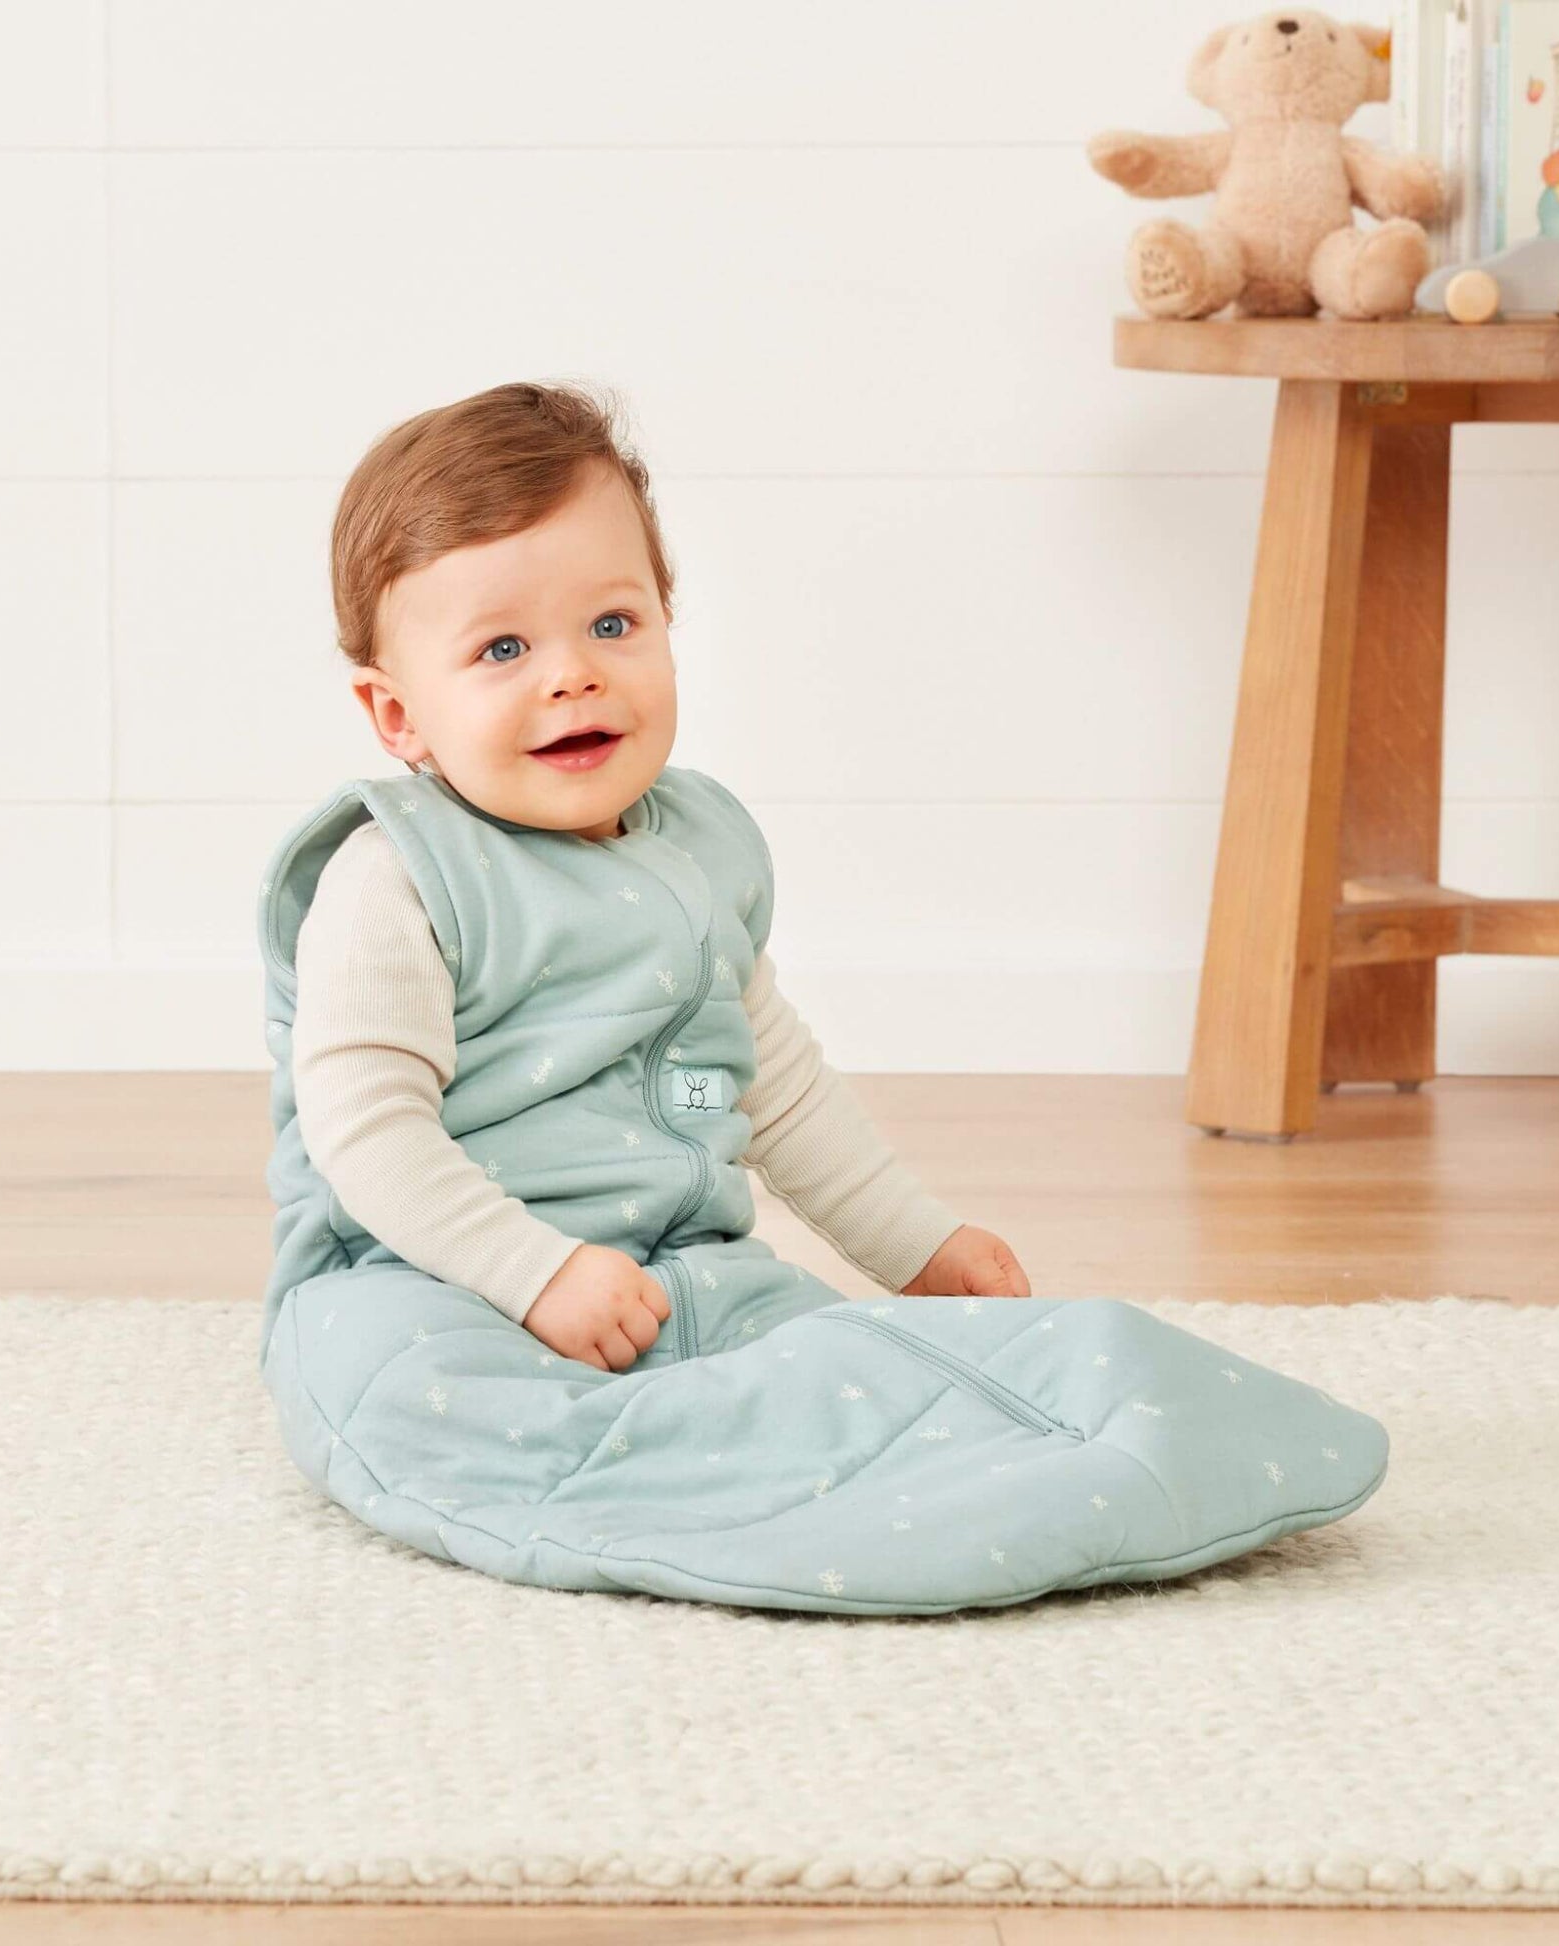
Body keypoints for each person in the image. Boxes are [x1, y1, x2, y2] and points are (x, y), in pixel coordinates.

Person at [274, 379, 1031, 1377]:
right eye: (502, 647)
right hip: (428, 1276)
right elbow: (365, 1130)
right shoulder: (400, 880)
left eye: (612, 624)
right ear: (398, 715)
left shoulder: (697, 850)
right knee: (395, 1375)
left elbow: (781, 1095)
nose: (572, 673)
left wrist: (917, 1244)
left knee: (842, 1366)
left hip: (672, 1274)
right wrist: (535, 1275)